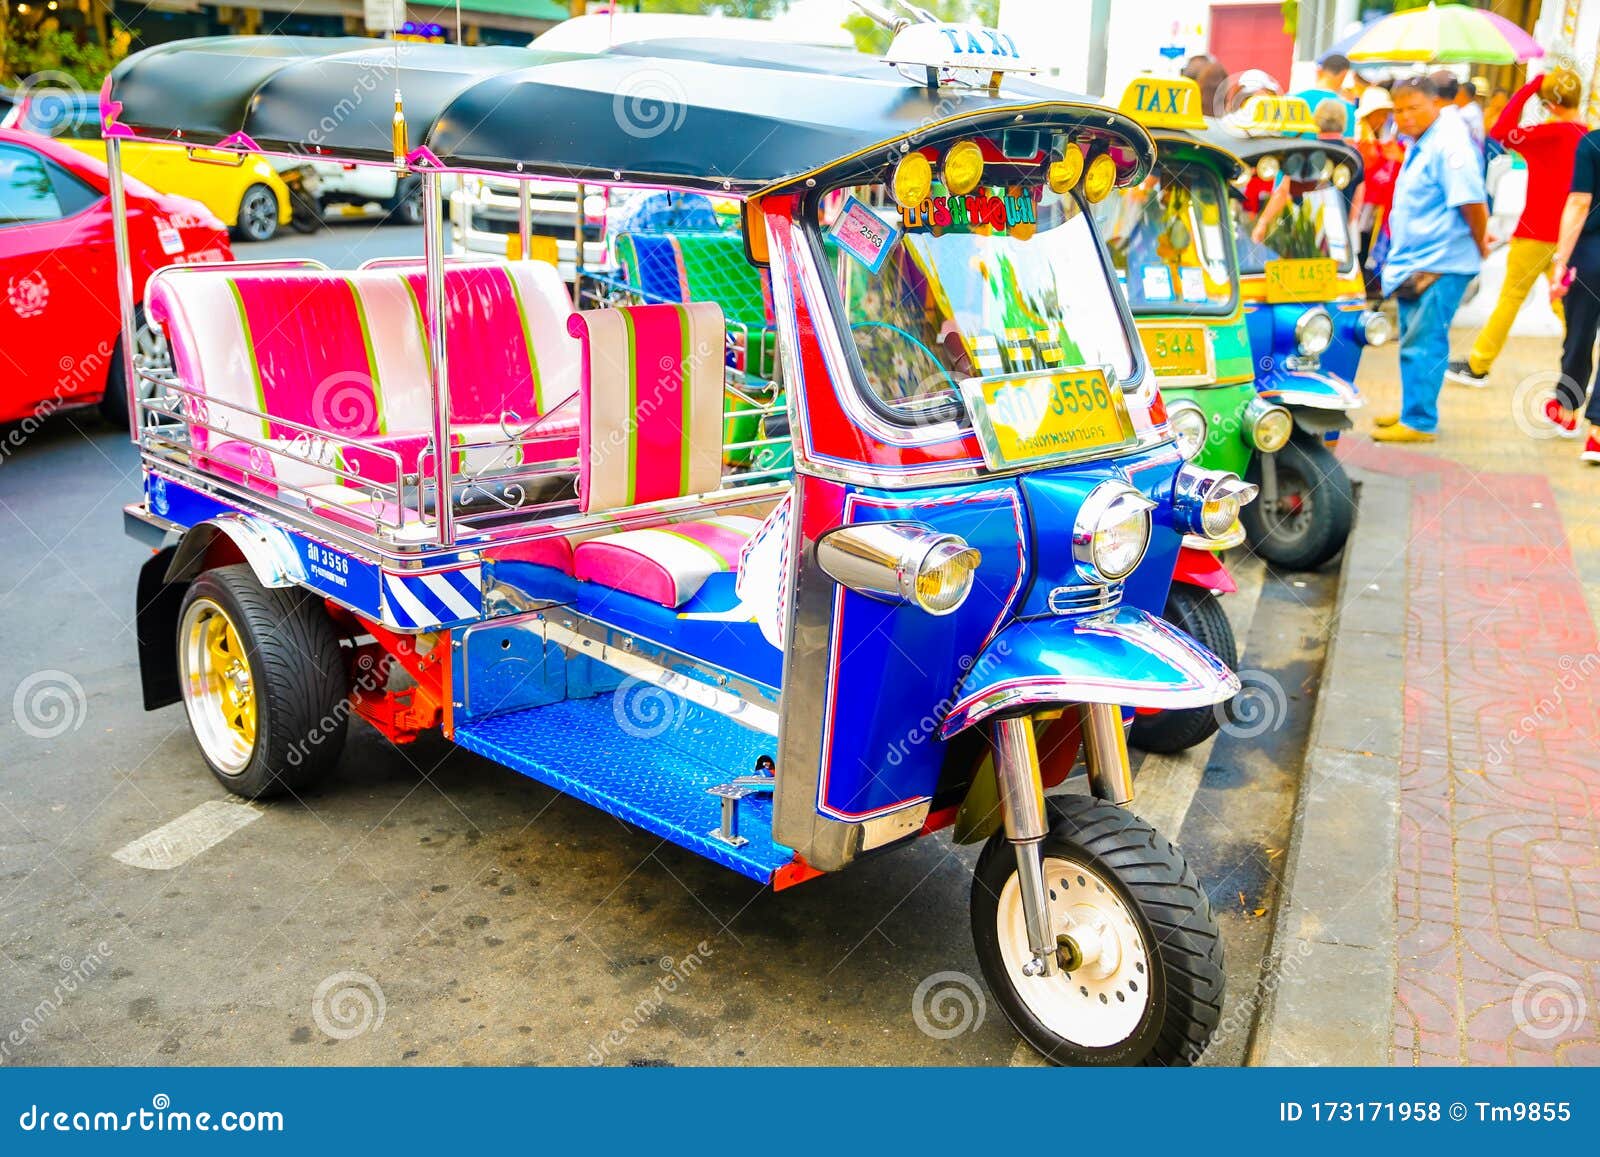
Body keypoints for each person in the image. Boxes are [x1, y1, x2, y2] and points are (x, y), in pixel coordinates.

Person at [1448, 69, 1586, 392]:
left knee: (1510, 299)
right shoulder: (1588, 137)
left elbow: (1501, 131)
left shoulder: (1545, 135)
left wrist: (1530, 87)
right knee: (1569, 307)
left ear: (1549, 104)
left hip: (1534, 232)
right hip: (1570, 237)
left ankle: (1479, 364)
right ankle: (1582, 371)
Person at [1372, 75, 1490, 444]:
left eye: (1413, 108)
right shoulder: (1422, 142)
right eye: (1398, 110)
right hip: (1417, 260)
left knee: (1425, 341)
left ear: (1434, 104)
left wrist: (1481, 244)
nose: (1405, 117)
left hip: (1441, 262)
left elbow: (1471, 201)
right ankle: (1414, 408)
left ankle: (1420, 420)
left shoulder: (1449, 142)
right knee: (1412, 337)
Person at [1546, 127, 1600, 461]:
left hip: (1591, 254)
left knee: (1579, 331)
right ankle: (1597, 434)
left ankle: (1568, 405)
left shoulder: (1592, 143)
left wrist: (1560, 261)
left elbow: (1580, 203)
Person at [1350, 86, 1405, 302]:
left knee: (1371, 243)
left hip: (1379, 204)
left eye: (1384, 113)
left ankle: (1370, 282)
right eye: (1378, 113)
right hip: (1362, 201)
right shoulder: (1361, 138)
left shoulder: (1385, 138)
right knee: (1359, 241)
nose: (1382, 117)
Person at [1295, 52, 1356, 136]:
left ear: (1320, 71)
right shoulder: (1345, 108)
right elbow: (1348, 144)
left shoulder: (1292, 99)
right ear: (1344, 74)